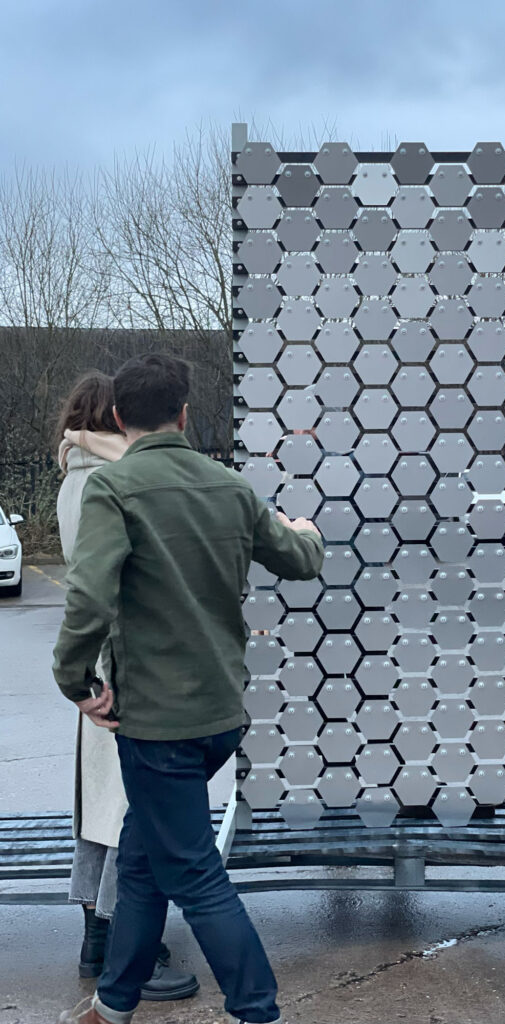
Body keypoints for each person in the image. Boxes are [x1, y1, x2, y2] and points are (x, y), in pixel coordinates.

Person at [55, 353, 324, 1024]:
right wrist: (308, 533)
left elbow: (88, 596)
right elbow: (298, 561)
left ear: (118, 417)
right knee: (142, 863)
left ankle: (258, 1010)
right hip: (216, 719)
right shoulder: (230, 487)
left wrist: (75, 680)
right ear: (183, 414)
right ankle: (113, 1004)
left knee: (197, 879)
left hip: (156, 725)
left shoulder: (113, 490)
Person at [55, 372, 197, 1003]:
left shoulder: (74, 477)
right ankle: (125, 944)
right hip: (125, 661)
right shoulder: (111, 482)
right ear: (117, 420)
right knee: (129, 809)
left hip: (95, 663)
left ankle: (95, 932)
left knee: (100, 804)